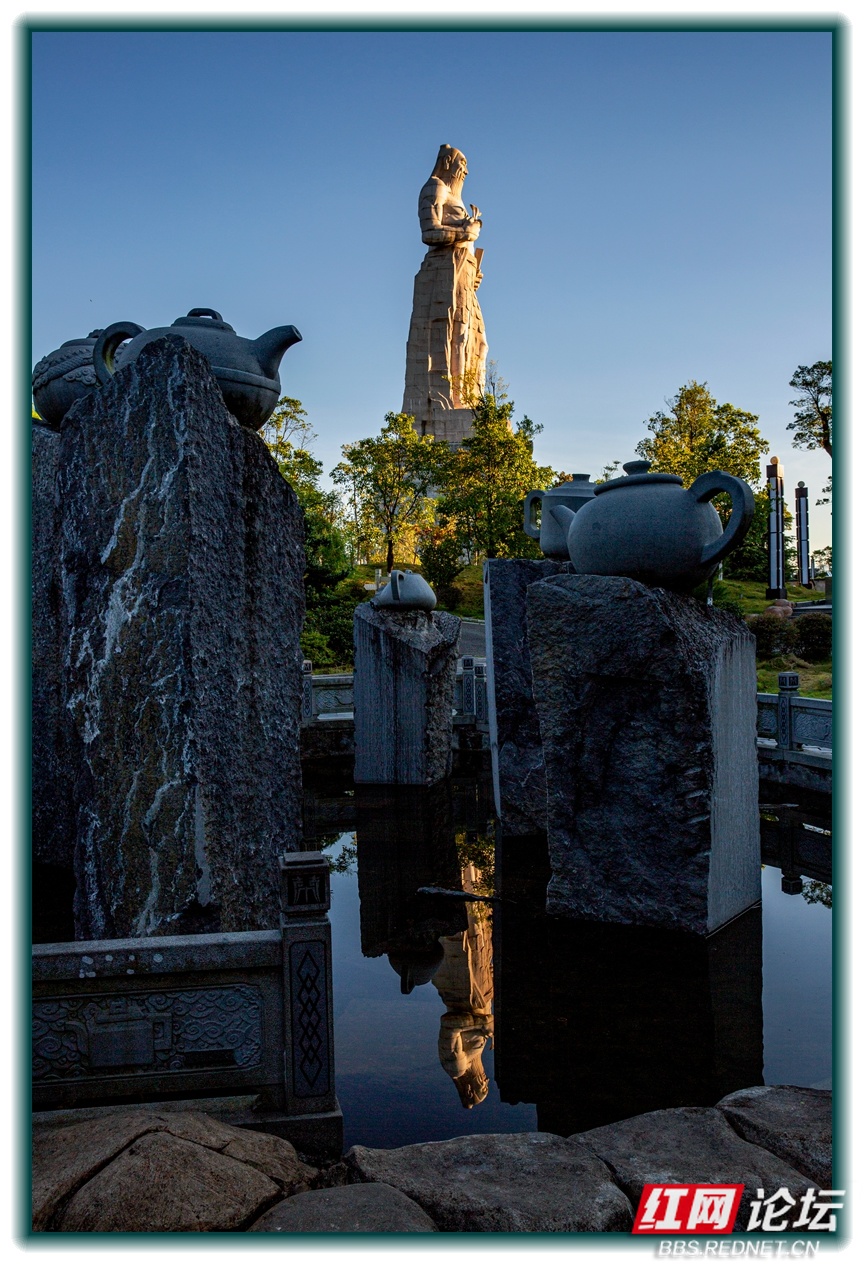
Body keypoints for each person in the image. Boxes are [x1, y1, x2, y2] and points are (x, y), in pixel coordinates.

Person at [402, 145, 488, 442]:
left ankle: (468, 398)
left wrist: (474, 272)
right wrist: (465, 233)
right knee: (451, 337)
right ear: (448, 163)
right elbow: (429, 232)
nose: (464, 170)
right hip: (441, 274)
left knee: (478, 343)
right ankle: (447, 400)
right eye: (461, 164)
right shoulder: (435, 187)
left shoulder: (455, 195)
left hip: (462, 274)